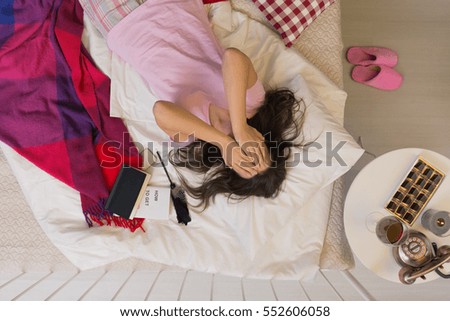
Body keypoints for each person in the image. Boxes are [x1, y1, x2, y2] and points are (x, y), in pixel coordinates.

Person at [93, 0, 306, 208]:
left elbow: (161, 110)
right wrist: (240, 128)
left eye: (246, 164)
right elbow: (232, 57)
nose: (247, 154)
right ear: (264, 141)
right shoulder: (252, 101)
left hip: (123, 25)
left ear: (231, 167)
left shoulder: (191, 138)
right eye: (257, 155)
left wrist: (225, 143)